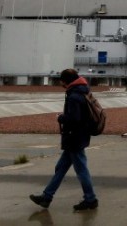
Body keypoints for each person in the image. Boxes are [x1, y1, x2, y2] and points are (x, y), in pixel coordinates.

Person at [30, 68, 98, 211]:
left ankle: (90, 199)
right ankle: (46, 197)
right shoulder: (82, 91)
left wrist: (60, 118)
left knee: (81, 170)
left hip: (74, 138)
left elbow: (74, 119)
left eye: (61, 80)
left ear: (66, 81)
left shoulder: (74, 96)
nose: (60, 82)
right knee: (60, 168)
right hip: (78, 137)